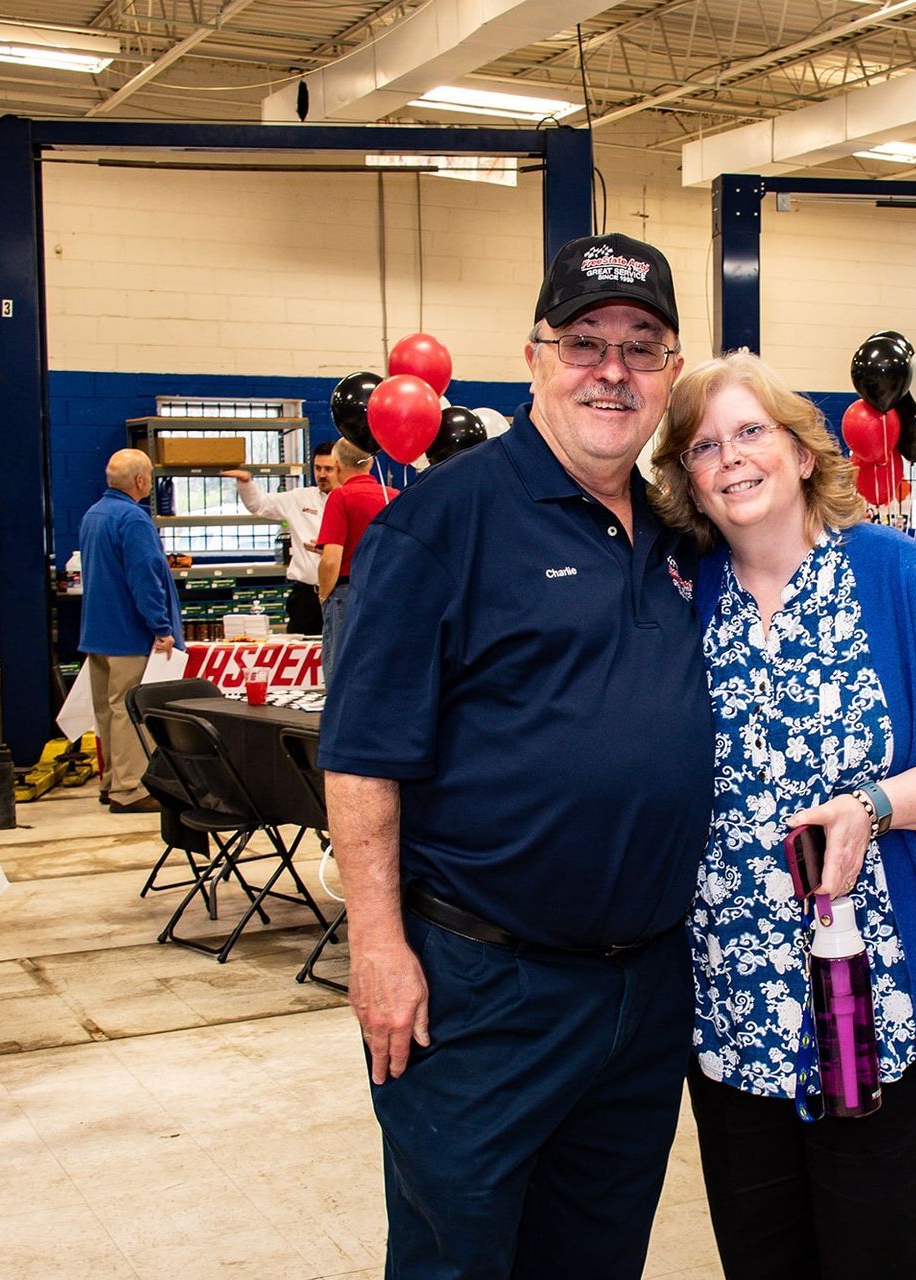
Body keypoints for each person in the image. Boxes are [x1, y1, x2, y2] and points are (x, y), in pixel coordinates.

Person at [317, 232, 709, 1279]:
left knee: (597, 1254)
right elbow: (359, 757)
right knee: (461, 1256)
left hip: (644, 988)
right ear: (536, 356)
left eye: (641, 344)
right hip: (482, 988)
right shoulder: (442, 523)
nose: (612, 370)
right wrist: (377, 947)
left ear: (671, 370)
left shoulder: (680, 533)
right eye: (585, 342)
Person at [649, 352, 916, 1279]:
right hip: (733, 1006)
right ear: (687, 482)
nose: (732, 459)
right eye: (704, 446)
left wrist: (880, 805)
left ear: (802, 449)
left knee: (882, 1252)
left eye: (751, 432)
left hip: (877, 1000)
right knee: (762, 1255)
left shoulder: (896, 577)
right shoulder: (680, 595)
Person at [77, 448, 182, 814]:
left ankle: (110, 782)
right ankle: (131, 788)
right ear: (140, 481)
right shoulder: (133, 520)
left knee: (107, 711)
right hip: (129, 634)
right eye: (149, 476)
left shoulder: (94, 514)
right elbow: (145, 576)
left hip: (98, 633)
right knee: (130, 711)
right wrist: (161, 626)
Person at [221, 439, 337, 635]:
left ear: (341, 468)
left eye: (328, 469)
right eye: (318, 468)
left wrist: (329, 549)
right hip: (306, 597)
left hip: (341, 595)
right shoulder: (300, 498)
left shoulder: (352, 500)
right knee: (301, 654)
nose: (322, 474)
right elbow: (259, 504)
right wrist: (246, 482)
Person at [315, 438, 393, 678]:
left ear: (337, 465)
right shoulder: (394, 496)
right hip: (388, 592)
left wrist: (324, 595)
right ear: (370, 464)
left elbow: (331, 560)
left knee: (341, 671)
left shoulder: (341, 498)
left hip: (348, 592)